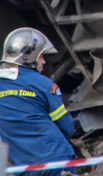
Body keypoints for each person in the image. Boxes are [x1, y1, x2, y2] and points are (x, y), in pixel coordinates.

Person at [0, 28, 75, 176]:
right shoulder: (43, 83)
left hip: (25, 167)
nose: (44, 61)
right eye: (41, 56)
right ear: (29, 57)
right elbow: (66, 126)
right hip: (56, 159)